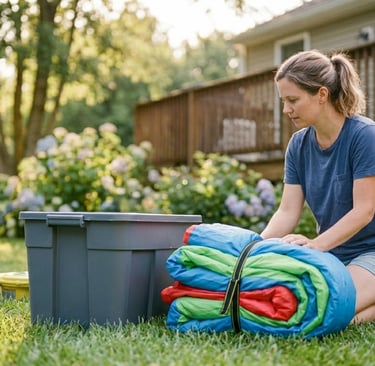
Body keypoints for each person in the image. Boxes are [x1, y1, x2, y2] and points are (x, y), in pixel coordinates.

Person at [260, 49, 375, 324]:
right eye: (283, 101)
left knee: (324, 308)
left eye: (293, 100)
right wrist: (254, 248)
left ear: (321, 95)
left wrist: (315, 246)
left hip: (370, 252)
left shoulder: (364, 136)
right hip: (333, 254)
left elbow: (364, 211)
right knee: (292, 302)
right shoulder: (298, 145)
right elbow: (287, 212)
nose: (286, 110)